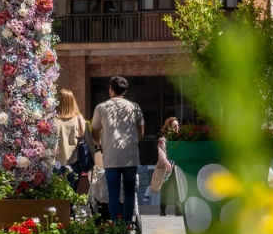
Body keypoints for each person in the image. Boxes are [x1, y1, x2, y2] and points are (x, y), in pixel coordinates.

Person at [91, 76, 145, 224]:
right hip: (130, 156)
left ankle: (116, 224)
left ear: (111, 89)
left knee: (113, 192)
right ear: (125, 90)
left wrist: (101, 143)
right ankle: (127, 224)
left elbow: (95, 133)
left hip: (111, 155)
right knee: (129, 191)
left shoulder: (101, 108)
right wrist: (131, 142)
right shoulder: (134, 107)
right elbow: (141, 132)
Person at [54, 89, 90, 190]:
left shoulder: (53, 121)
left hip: (56, 163)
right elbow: (89, 144)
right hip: (75, 163)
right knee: (70, 196)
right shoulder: (79, 120)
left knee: (56, 197)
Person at [155, 117, 181, 216]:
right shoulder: (163, 139)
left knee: (178, 187)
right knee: (165, 188)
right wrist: (166, 162)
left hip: (177, 166)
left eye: (178, 126)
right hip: (167, 167)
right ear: (169, 127)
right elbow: (161, 153)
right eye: (175, 126)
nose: (177, 128)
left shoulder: (180, 139)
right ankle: (162, 208)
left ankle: (178, 209)